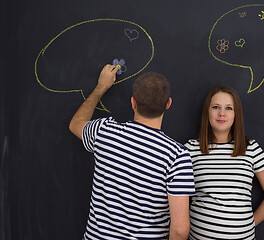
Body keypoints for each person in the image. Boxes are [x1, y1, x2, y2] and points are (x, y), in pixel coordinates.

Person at [69, 64, 195, 240]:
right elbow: (180, 230)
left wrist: (101, 87)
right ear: (168, 104)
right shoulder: (176, 156)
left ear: (133, 102)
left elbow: (75, 124)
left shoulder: (104, 132)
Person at [184, 85, 264, 240]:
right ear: (207, 112)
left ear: (236, 114)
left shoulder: (251, 149)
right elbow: (174, 195)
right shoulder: (190, 149)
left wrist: (249, 224)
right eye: (216, 107)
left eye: (229, 108)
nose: (222, 113)